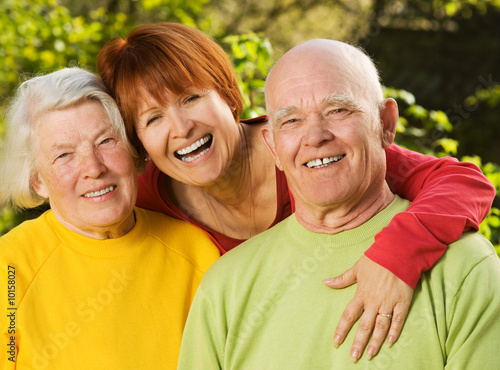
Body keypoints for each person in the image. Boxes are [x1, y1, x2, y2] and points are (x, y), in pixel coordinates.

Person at [96, 23, 496, 358]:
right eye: (152, 118)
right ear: (139, 144)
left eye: (191, 98)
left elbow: (463, 183)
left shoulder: (315, 152)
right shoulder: (145, 201)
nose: (181, 128)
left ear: (228, 95)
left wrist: (399, 255)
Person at [0, 67, 219, 369]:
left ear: (131, 149)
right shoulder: (8, 269)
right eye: (64, 155)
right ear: (38, 181)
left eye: (105, 141)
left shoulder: (196, 252)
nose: (93, 167)